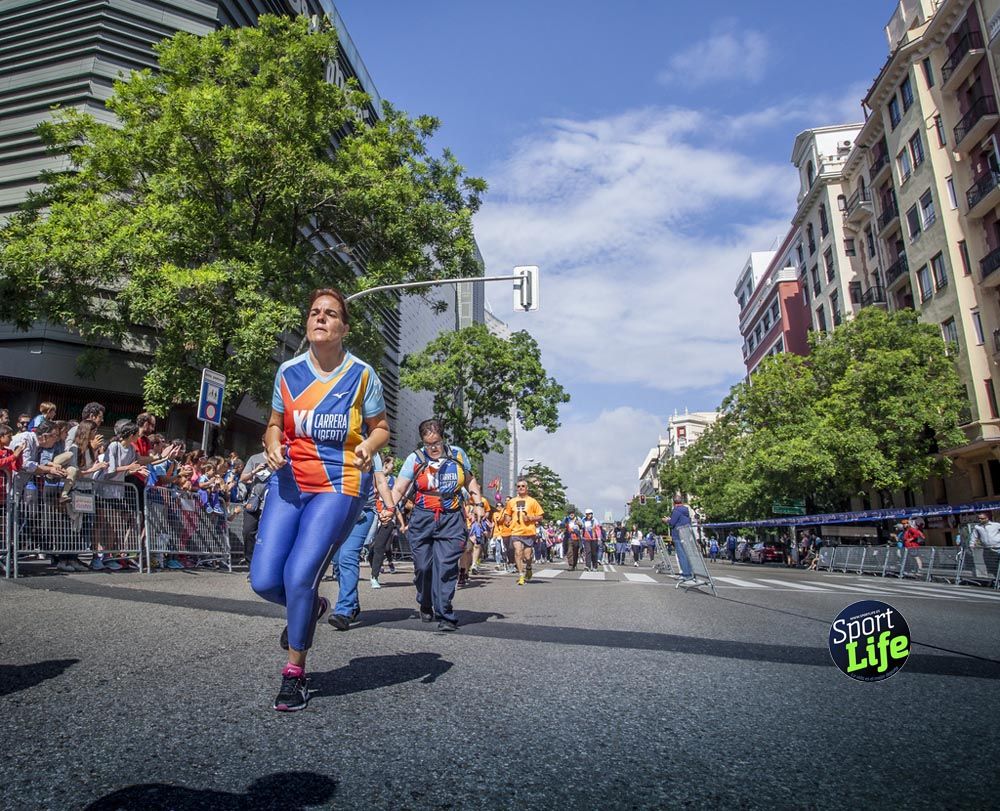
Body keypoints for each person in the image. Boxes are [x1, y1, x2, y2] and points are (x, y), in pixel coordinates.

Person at [249, 288, 390, 712]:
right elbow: (273, 425)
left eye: (331, 314)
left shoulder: (362, 375)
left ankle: (295, 674)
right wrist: (272, 443)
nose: (321, 319)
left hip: (339, 484)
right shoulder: (288, 373)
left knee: (298, 576)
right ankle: (309, 608)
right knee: (264, 581)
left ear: (344, 327)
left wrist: (368, 445)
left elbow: (381, 427)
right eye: (315, 312)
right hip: (290, 481)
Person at [388, 418, 483, 632]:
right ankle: (425, 601)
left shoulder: (457, 454)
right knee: (423, 567)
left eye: (437, 442)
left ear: (443, 438)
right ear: (422, 441)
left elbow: (469, 480)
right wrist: (389, 508)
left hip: (451, 517)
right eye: (428, 443)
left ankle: (445, 614)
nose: (433, 447)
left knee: (446, 567)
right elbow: (400, 488)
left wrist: (478, 503)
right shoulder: (415, 458)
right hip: (422, 517)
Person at [327, 450, 394, 629]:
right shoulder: (333, 446)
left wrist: (390, 507)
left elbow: (380, 481)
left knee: (348, 556)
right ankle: (352, 604)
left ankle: (344, 610)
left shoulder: (372, 452)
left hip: (362, 512)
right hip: (335, 511)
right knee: (337, 563)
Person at [504, 478, 544, 586]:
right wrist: (507, 519)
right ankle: (521, 575)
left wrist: (531, 518)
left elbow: (540, 517)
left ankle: (529, 567)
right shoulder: (511, 501)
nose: (520, 488)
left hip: (529, 532)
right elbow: (507, 513)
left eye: (523, 486)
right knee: (518, 552)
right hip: (516, 531)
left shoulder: (532, 501)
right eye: (518, 486)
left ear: (527, 488)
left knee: (528, 556)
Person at [668, 493, 699, 584]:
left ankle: (685, 574)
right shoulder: (686, 510)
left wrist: (667, 520)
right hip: (686, 534)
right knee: (687, 554)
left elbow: (672, 523)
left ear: (674, 502)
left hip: (678, 535)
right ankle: (690, 572)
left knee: (681, 555)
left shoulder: (676, 511)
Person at [970, 511, 1000, 579]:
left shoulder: (996, 525)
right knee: (992, 567)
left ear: (987, 518)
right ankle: (997, 580)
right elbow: (973, 536)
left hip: (998, 547)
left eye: (982, 518)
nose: (980, 520)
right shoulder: (977, 527)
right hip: (988, 549)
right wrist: (971, 545)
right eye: (979, 518)